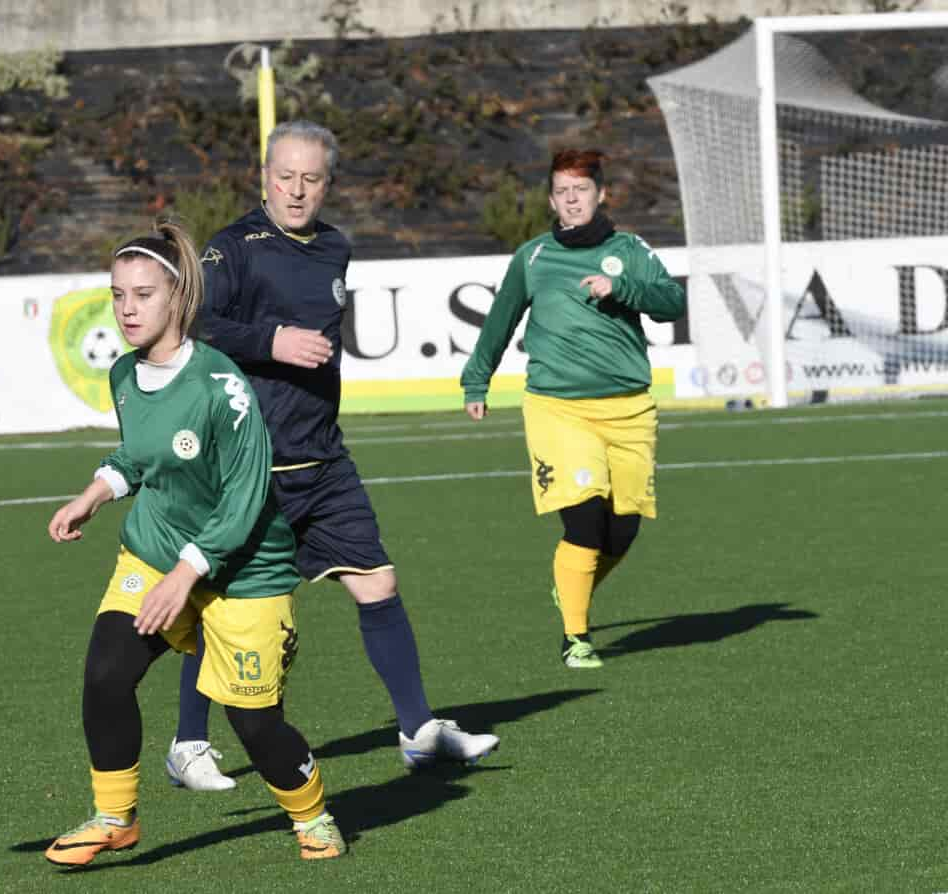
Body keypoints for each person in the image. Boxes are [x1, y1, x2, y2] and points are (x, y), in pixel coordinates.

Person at [163, 120, 499, 791]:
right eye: (284, 176)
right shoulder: (234, 248)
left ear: (328, 184)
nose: (296, 190)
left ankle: (418, 734)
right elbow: (195, 324)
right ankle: (188, 743)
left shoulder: (335, 247)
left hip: (323, 459)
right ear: (264, 175)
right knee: (221, 606)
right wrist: (273, 339)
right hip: (251, 466)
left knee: (378, 583)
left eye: (311, 179)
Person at [43, 219, 345, 866]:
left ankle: (312, 814)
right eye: (118, 294)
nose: (127, 308)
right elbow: (138, 456)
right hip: (155, 547)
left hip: (246, 570)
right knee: (105, 672)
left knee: (254, 724)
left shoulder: (222, 388)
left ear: (178, 298)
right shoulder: (124, 374)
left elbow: (245, 500)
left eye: (143, 294)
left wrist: (186, 576)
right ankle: (114, 817)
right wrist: (93, 495)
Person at [460, 148, 686, 668]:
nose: (571, 199)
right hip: (558, 408)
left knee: (622, 530)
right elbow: (501, 321)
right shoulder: (533, 257)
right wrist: (477, 380)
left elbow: (673, 301)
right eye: (562, 192)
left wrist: (622, 287)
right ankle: (576, 637)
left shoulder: (629, 249)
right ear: (551, 201)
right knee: (584, 521)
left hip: (629, 409)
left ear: (600, 194)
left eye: (581, 190)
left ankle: (572, 585)